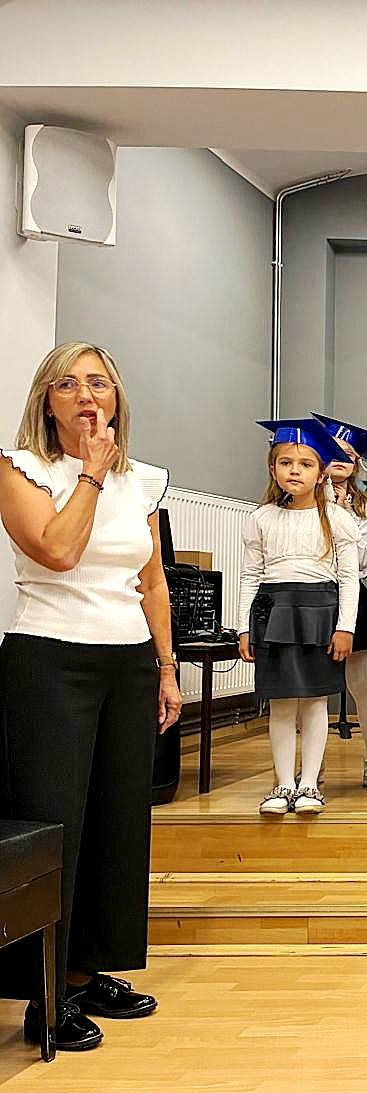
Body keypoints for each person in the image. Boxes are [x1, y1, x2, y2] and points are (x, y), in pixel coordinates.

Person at [0, 341, 180, 1053]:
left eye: (98, 383)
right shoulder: (20, 469)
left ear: (116, 397)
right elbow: (57, 550)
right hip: (49, 660)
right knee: (56, 824)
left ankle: (85, 970)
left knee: (116, 824)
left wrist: (166, 667)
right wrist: (92, 475)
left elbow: (152, 581)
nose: (85, 395)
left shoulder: (144, 481)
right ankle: (43, 996)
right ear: (47, 401)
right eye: (68, 384)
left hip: (128, 662)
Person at [237, 420, 359, 815]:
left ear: (321, 473)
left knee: (315, 701)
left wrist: (345, 627)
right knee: (281, 702)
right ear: (272, 468)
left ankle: (309, 784)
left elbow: (348, 577)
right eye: (286, 463)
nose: (295, 471)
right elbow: (250, 575)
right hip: (274, 613)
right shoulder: (261, 518)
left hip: (319, 612)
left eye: (305, 464)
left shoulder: (337, 519)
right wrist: (243, 627)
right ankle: (283, 784)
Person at [313, 414, 367, 788]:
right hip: (313, 596)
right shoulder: (305, 502)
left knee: (360, 682)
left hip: (352, 594)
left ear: (357, 462)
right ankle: (313, 764)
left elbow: (363, 560)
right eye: (333, 452)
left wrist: (343, 515)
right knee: (312, 687)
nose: (341, 459)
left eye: (348, 454)